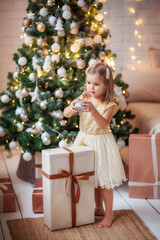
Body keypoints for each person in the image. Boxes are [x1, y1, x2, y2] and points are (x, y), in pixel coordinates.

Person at [63, 62, 127, 228]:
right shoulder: (83, 98)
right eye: (89, 82)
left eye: (96, 84)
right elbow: (64, 113)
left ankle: (109, 213)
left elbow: (103, 124)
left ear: (106, 85)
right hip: (84, 140)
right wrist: (71, 109)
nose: (91, 87)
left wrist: (93, 110)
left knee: (103, 181)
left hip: (101, 143)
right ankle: (98, 208)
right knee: (92, 179)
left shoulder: (110, 104)